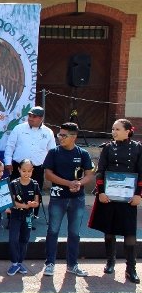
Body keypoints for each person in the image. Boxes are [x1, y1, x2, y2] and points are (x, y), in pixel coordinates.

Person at [89, 119, 142, 283]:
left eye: (117, 129)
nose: (114, 132)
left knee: (130, 233)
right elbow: (100, 171)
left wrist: (139, 194)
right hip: (109, 196)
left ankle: (131, 268)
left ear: (128, 131)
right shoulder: (107, 147)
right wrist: (101, 192)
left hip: (128, 197)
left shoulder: (138, 148)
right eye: (113, 129)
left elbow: (141, 172)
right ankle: (110, 262)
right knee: (109, 231)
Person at [42, 122, 94, 277]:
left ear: (74, 137)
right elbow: (48, 175)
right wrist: (68, 183)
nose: (60, 138)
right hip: (58, 198)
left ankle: (72, 264)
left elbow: (89, 175)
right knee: (53, 230)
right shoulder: (54, 152)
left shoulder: (83, 153)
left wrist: (79, 184)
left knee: (74, 233)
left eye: (64, 135)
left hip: (77, 199)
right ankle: (50, 263)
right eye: (59, 134)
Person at [3, 106, 55, 221]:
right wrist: (8, 162)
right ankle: (12, 216)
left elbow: (52, 152)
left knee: (35, 192)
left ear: (41, 118)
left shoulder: (48, 132)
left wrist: (50, 168)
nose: (31, 118)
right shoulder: (19, 128)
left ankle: (31, 216)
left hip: (37, 168)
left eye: (34, 116)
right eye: (29, 115)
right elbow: (10, 146)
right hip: (18, 167)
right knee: (14, 191)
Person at [7, 159, 41, 276]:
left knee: (25, 239)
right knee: (13, 239)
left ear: (32, 170)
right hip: (15, 215)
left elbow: (37, 202)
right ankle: (14, 263)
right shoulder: (14, 184)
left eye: (29, 171)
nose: (26, 173)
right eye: (24, 171)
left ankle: (20, 262)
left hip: (28, 216)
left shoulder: (35, 184)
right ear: (19, 170)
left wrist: (33, 204)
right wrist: (25, 205)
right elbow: (12, 202)